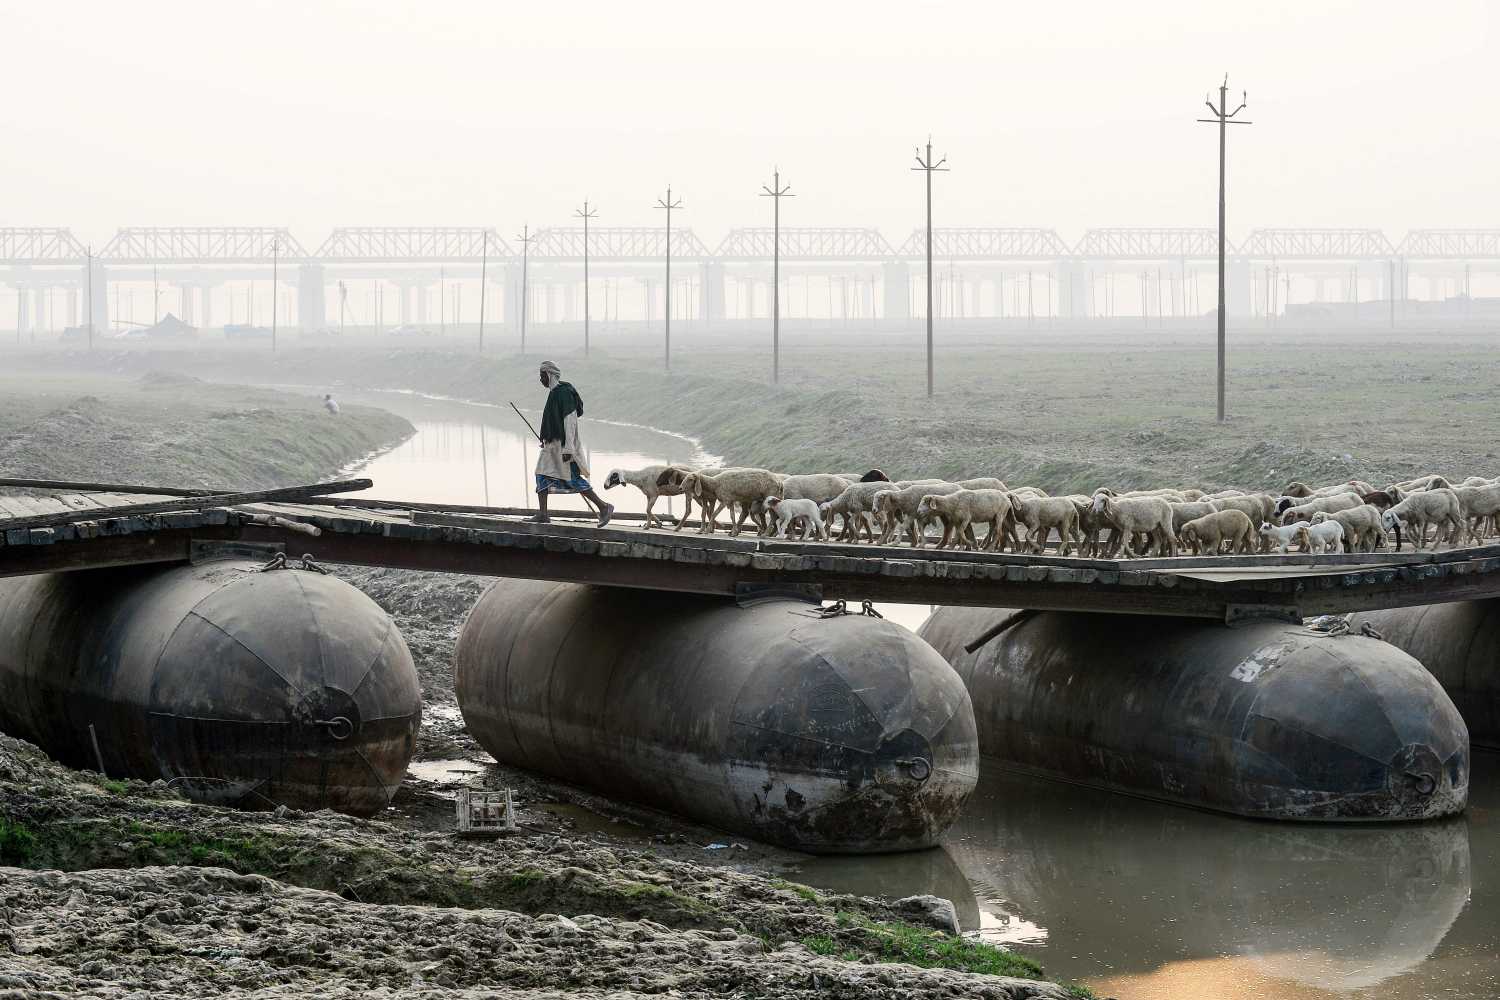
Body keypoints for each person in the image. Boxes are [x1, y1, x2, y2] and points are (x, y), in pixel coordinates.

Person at [533, 360, 614, 527]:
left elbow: (569, 421)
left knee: (573, 478)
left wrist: (568, 448)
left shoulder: (564, 393)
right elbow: (552, 421)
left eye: (542, 376)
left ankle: (604, 507)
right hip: (552, 445)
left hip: (564, 445)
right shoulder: (553, 393)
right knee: (541, 474)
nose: (540, 379)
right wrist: (546, 438)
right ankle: (543, 514)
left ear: (549, 375)